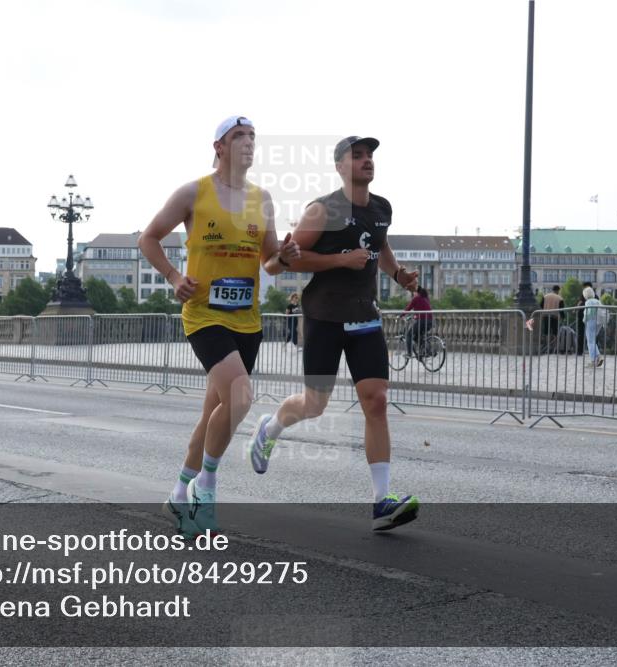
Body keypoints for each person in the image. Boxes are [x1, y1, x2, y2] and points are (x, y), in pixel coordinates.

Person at [247, 135, 421, 532]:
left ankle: (382, 502)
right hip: (325, 317)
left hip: (366, 318)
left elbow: (381, 244)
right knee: (314, 405)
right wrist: (341, 260)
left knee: (375, 402)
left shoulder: (381, 208)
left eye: (370, 155)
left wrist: (397, 273)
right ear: (340, 166)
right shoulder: (322, 210)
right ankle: (269, 428)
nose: (366, 161)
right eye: (357, 156)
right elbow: (286, 261)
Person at [139, 115, 300, 537]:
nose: (248, 143)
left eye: (252, 137)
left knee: (215, 413)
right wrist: (174, 277)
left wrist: (284, 257)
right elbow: (149, 237)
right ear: (219, 147)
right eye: (239, 137)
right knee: (241, 395)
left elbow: (269, 262)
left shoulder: (261, 200)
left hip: (247, 320)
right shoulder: (194, 192)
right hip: (203, 314)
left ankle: (178, 494)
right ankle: (205, 489)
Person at [403, 285, 432, 358]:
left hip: (422, 321)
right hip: (430, 321)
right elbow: (422, 308)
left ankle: (409, 354)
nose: (412, 294)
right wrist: (415, 316)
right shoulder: (426, 297)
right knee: (417, 337)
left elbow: (408, 308)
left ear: (416, 292)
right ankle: (425, 351)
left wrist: (400, 315)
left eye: (413, 293)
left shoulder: (416, 298)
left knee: (409, 335)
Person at [582, 286, 604, 368]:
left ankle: (593, 360)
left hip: (591, 320)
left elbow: (589, 312)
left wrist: (584, 320)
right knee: (592, 340)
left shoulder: (588, 302)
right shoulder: (597, 301)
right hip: (599, 321)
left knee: (590, 341)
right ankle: (598, 356)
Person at [540, 285, 563, 352]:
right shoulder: (559, 298)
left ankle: (548, 347)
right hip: (555, 316)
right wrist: (562, 317)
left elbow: (541, 305)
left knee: (546, 332)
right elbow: (561, 309)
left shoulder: (545, 296)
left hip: (546, 315)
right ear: (558, 290)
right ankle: (555, 348)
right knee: (555, 332)